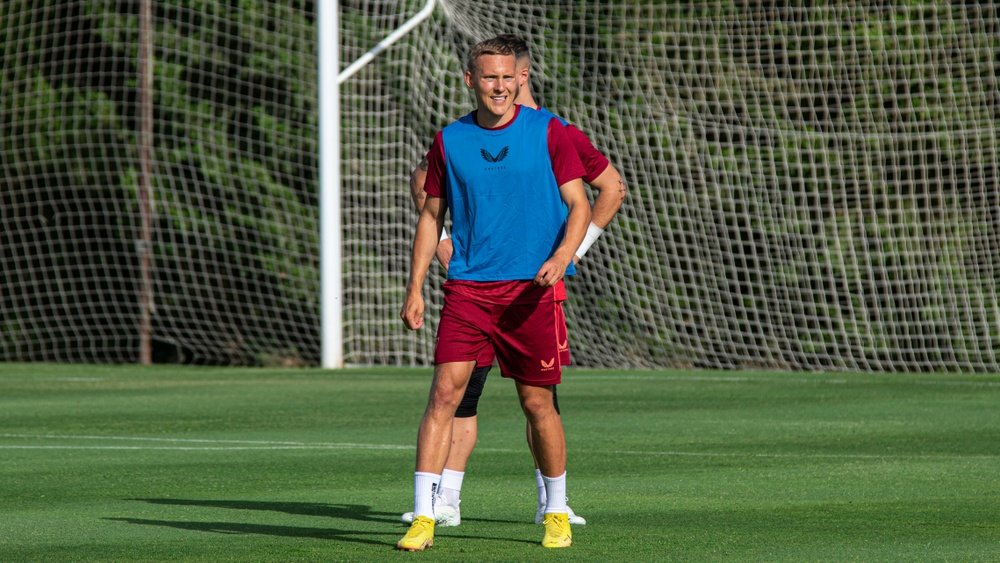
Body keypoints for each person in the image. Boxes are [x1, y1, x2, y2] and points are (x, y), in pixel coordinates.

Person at [401, 34, 626, 529]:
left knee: (537, 400)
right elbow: (426, 192)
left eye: (509, 76)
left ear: (522, 76)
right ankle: (437, 504)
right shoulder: (452, 138)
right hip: (470, 289)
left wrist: (568, 255)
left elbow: (603, 191)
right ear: (472, 81)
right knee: (454, 393)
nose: (501, 86)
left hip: (534, 291)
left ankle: (554, 505)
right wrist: (431, 267)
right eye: (490, 77)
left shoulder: (555, 132)